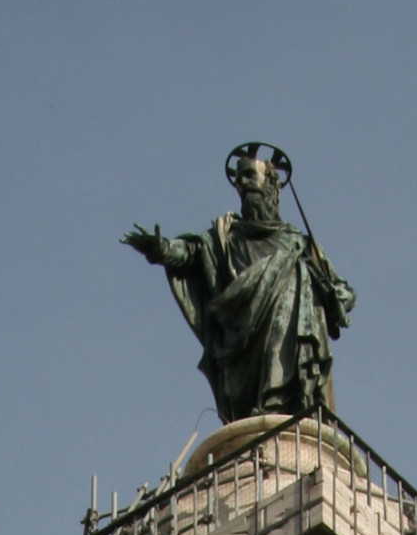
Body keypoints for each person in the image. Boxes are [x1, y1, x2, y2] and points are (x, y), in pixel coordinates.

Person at [125, 144, 355, 423]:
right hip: (244, 334)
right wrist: (160, 249)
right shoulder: (225, 237)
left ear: (272, 184)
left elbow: (344, 292)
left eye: (249, 176)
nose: (242, 184)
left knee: (297, 272)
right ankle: (267, 408)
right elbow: (190, 253)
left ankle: (286, 403)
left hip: (295, 330)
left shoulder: (301, 243)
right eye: (239, 180)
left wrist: (333, 297)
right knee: (293, 270)